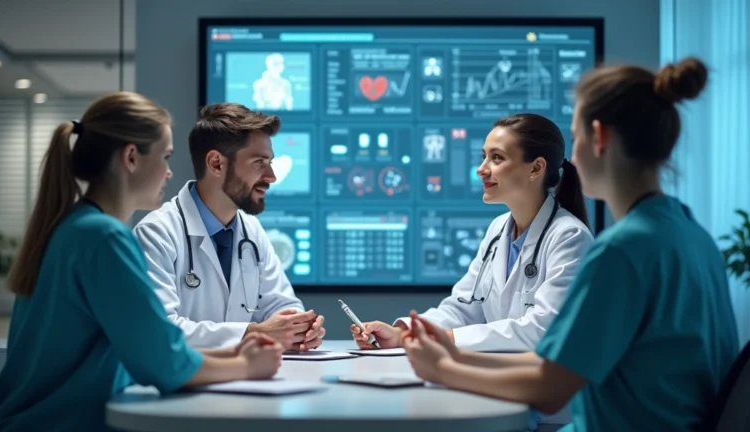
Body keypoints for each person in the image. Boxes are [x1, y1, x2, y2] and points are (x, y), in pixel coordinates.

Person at [399, 57, 740, 432]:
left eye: (576, 138)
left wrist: (445, 369)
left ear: (600, 137)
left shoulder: (622, 250)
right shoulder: (688, 233)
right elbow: (557, 363)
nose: (572, 157)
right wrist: (451, 353)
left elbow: (550, 387)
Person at [0, 92, 284, 432]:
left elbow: (151, 349)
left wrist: (236, 354)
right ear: (131, 157)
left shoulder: (74, 227)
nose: (171, 173)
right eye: (166, 157)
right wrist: (247, 367)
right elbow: (164, 365)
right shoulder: (104, 238)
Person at [352, 113, 594, 353]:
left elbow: (542, 330)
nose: (481, 169)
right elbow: (462, 309)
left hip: (544, 385)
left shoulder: (569, 237)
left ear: (536, 168)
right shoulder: (498, 230)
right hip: (499, 373)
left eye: (496, 158)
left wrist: (441, 339)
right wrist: (403, 334)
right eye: (484, 157)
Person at [133, 103, 325, 350]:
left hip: (247, 378)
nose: (271, 176)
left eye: (270, 162)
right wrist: (250, 333)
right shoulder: (157, 233)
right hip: (186, 386)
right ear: (216, 163)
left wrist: (301, 328)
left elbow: (280, 306)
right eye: (259, 162)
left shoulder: (252, 231)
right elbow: (159, 329)